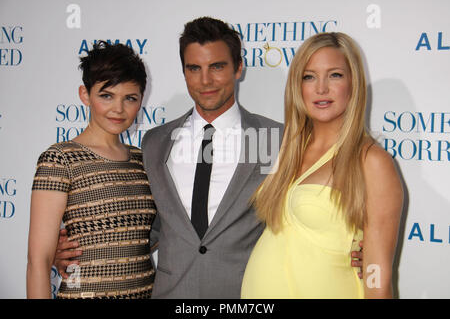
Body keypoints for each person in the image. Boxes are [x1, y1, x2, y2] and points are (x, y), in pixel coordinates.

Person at [54, 18, 364, 299]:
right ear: (184, 71)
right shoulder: (155, 143)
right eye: (194, 68)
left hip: (248, 293)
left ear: (238, 68)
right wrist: (74, 252)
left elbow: (308, 205)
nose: (206, 81)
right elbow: (150, 224)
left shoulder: (275, 138)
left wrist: (362, 246)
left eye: (217, 66)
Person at [241, 32, 403, 299]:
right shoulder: (287, 150)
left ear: (354, 83)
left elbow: (377, 277)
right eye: (309, 76)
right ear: (297, 85)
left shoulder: (371, 161)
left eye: (335, 75)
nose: (321, 88)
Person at [27, 41, 157, 299]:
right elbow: (38, 261)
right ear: (85, 95)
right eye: (106, 96)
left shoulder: (145, 160)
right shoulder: (59, 159)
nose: (118, 109)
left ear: (141, 100)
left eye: (129, 98)